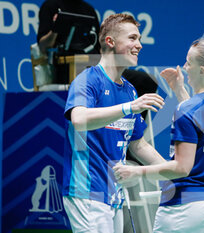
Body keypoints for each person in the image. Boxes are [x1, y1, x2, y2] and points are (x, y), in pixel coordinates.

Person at [114, 39, 204, 233]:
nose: (184, 67)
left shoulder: (186, 110)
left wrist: (135, 172)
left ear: (202, 70)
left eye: (188, 63)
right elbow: (199, 123)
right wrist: (179, 90)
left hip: (183, 210)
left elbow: (181, 168)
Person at [62, 13, 166, 233]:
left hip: (115, 196)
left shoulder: (129, 90)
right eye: (132, 38)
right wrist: (129, 108)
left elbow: (138, 144)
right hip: (88, 193)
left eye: (138, 39)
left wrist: (172, 172)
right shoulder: (88, 80)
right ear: (110, 41)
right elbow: (79, 119)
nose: (138, 45)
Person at [37, 0, 101, 84]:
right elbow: (43, 47)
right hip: (65, 64)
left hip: (91, 59)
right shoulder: (50, 6)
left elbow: (99, 47)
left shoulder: (89, 10)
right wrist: (56, 29)